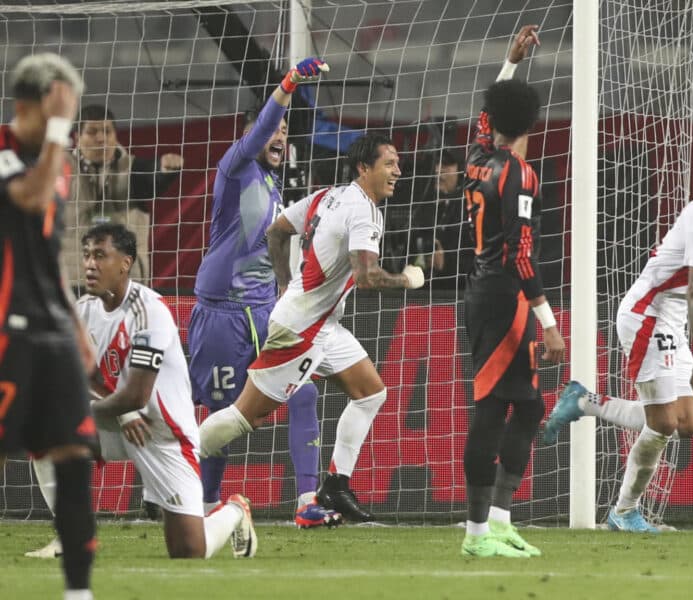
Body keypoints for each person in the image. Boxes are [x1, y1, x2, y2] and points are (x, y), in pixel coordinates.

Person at [545, 149, 693, 532]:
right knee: (662, 424)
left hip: (673, 319)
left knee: (687, 422)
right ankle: (624, 512)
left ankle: (584, 401)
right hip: (648, 313)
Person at [196, 132, 425, 524]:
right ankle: (168, 461)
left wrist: (285, 282)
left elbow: (278, 231)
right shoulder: (366, 212)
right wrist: (407, 279)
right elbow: (366, 276)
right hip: (301, 329)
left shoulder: (327, 195)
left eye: (398, 164)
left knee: (371, 393)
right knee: (243, 418)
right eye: (389, 163)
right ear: (364, 168)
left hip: (322, 326)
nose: (397, 171)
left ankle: (335, 485)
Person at [30, 224, 258, 560]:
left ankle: (236, 510)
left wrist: (101, 410)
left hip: (165, 435)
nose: (90, 264)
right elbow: (86, 376)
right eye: (87, 255)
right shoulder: (85, 311)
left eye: (100, 255)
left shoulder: (149, 312)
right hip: (122, 423)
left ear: (125, 263)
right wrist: (118, 413)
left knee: (188, 551)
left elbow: (137, 394)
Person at [187, 57, 335, 528]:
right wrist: (288, 84)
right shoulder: (234, 168)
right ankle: (204, 507)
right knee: (220, 416)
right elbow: (259, 131)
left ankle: (307, 501)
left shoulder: (273, 185)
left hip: (266, 311)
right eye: (274, 130)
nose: (279, 137)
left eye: (285, 133)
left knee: (304, 392)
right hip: (222, 315)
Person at [460, 25, 565, 558]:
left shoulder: (478, 158)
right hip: (506, 298)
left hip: (482, 292)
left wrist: (510, 62)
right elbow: (523, 254)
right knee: (495, 406)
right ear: (533, 125)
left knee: (525, 408)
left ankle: (497, 521)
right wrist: (548, 321)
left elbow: (484, 121)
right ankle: (478, 535)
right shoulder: (520, 173)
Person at [0, 52, 97, 600]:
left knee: (74, 457)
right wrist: (61, 130)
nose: (67, 120)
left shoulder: (53, 160)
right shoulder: (8, 156)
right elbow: (29, 198)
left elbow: (42, 251)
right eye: (59, 110)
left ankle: (77, 594)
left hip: (52, 330)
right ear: (29, 106)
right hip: (4, 332)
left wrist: (76, 328)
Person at [61, 104, 184, 288]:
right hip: (73, 284)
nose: (101, 138)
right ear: (77, 137)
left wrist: (164, 171)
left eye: (107, 131)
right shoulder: (62, 169)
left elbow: (150, 179)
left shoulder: (133, 168)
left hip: (124, 285)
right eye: (92, 132)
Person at [409, 149, 472, 291]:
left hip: (454, 293)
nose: (439, 170)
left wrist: (446, 263)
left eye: (446, 165)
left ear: (460, 171)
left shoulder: (469, 209)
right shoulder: (424, 205)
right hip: (422, 290)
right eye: (438, 164)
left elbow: (478, 261)